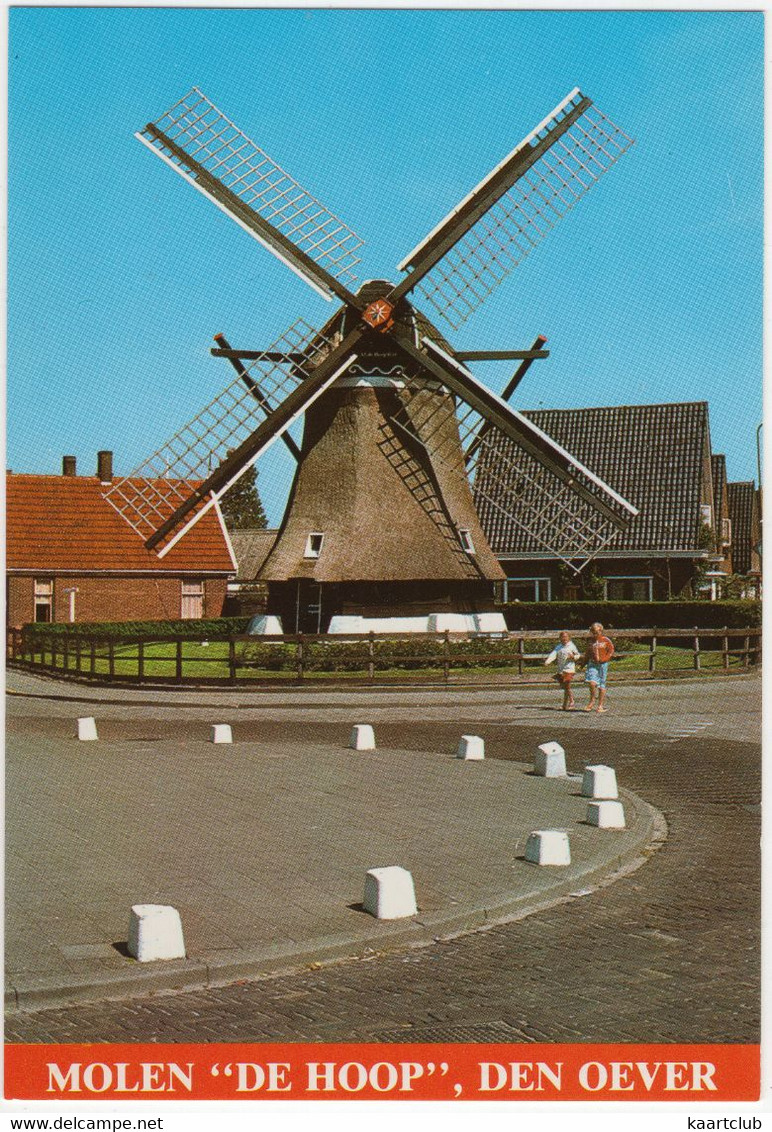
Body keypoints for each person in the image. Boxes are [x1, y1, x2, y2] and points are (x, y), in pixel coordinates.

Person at [581, 622, 615, 713]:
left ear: (601, 631)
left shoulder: (606, 640)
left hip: (602, 665)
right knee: (592, 683)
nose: (595, 634)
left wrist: (605, 658)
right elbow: (587, 653)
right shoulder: (591, 642)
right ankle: (592, 701)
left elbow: (611, 650)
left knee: (601, 684)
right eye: (593, 632)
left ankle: (600, 705)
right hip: (592, 664)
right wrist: (583, 663)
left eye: (596, 632)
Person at [544, 630, 581, 711]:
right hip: (561, 670)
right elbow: (553, 654)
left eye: (566, 637)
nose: (564, 639)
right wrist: (548, 661)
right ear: (560, 638)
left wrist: (573, 657)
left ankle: (568, 703)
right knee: (565, 687)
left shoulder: (571, 646)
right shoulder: (559, 647)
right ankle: (569, 700)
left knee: (567, 684)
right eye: (562, 637)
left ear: (569, 638)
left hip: (569, 669)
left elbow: (578, 655)